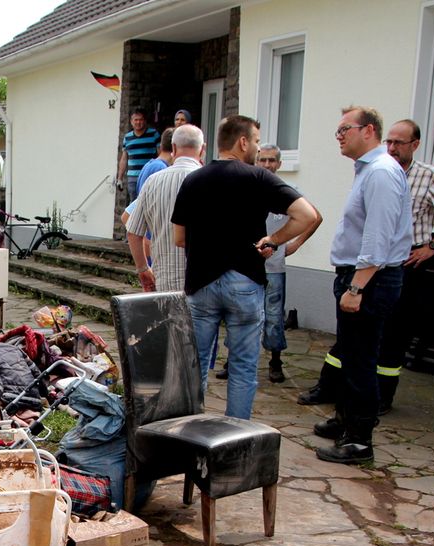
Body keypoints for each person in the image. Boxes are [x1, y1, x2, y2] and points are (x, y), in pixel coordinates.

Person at [298, 119, 434, 411]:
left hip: (401, 265)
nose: (391, 148)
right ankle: (334, 391)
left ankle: (376, 403)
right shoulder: (375, 170)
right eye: (389, 141)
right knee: (353, 342)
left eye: (399, 143)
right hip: (372, 267)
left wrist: (433, 246)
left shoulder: (422, 176)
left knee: (391, 337)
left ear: (415, 145)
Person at [171, 114, 319, 420]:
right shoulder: (259, 178)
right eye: (255, 141)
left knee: (195, 366)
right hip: (245, 282)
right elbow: (308, 215)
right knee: (242, 367)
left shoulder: (194, 179)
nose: (256, 147)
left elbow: (179, 238)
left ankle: (190, 433)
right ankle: (235, 437)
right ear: (242, 142)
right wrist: (274, 240)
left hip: (202, 284)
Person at [312, 106, 412, 464]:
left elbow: (378, 238)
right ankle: (345, 420)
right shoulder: (369, 171)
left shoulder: (382, 173)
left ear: (368, 130)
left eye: (344, 129)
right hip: (359, 276)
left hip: (370, 280)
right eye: (337, 131)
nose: (339, 136)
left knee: (360, 359)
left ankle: (359, 440)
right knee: (349, 355)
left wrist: (356, 288)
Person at [256, 144, 322, 383]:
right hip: (247, 266)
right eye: (262, 160)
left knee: (273, 315)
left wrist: (296, 244)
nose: (266, 165)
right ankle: (235, 361)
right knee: (242, 314)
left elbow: (315, 217)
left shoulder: (287, 191)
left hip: (274, 267)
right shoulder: (250, 187)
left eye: (271, 160)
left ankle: (275, 361)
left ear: (279, 164)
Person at [125, 124, 205, 293]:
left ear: (173, 148)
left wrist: (143, 269)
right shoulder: (211, 180)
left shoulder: (153, 181)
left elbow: (132, 231)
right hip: (202, 283)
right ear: (202, 149)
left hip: (164, 281)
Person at [117, 107, 160, 202]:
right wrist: (119, 178)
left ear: (145, 121)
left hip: (149, 175)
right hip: (133, 177)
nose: (138, 122)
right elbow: (124, 159)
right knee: (134, 204)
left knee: (149, 202)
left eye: (141, 119)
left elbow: (160, 155)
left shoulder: (154, 134)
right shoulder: (127, 137)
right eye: (135, 120)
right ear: (131, 121)